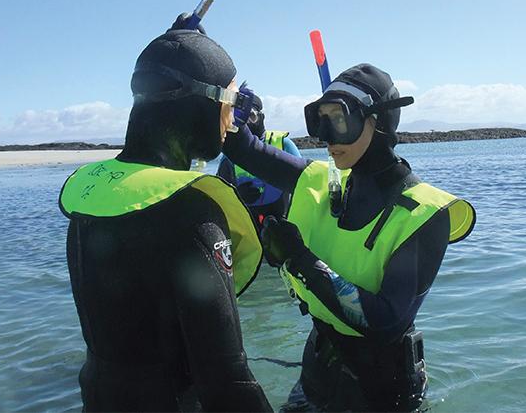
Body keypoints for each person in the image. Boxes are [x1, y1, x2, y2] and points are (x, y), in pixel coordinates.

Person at [222, 63, 476, 412]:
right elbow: (242, 149)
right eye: (319, 121)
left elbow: (385, 323)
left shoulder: (425, 214)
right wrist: (226, 95)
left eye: (338, 121)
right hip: (318, 369)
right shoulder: (322, 182)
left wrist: (298, 258)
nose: (326, 137)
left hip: (381, 390)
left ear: (379, 121)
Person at [58, 25, 272, 411]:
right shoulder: (189, 211)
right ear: (203, 105)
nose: (232, 121)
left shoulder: (93, 196)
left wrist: (183, 49)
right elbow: (228, 379)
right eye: (233, 103)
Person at [217, 91, 302, 225]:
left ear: (262, 117)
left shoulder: (284, 144)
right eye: (240, 117)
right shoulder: (231, 155)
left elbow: (304, 184)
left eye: (251, 116)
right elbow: (219, 197)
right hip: (249, 228)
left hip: (284, 223)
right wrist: (236, 196)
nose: (246, 124)